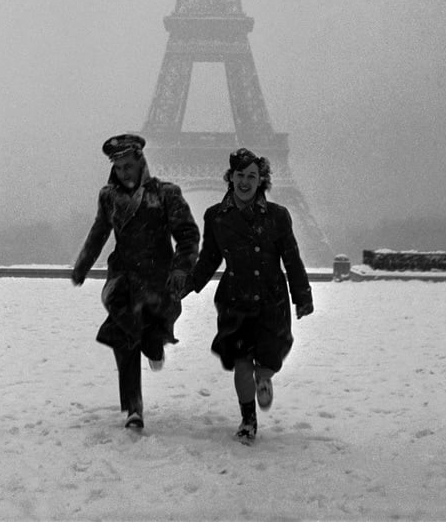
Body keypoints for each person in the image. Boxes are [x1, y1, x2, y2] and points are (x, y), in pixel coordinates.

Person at [71, 133, 199, 430]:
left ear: (141, 163)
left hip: (157, 279)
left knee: (143, 333)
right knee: (123, 336)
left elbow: (188, 235)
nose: (124, 173)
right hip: (125, 278)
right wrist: (82, 266)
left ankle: (154, 343)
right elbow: (99, 232)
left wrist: (181, 269)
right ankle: (133, 407)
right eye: (119, 168)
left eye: (128, 166)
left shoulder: (166, 194)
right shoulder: (108, 196)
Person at [185, 148, 314, 443]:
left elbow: (291, 258)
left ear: (261, 180)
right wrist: (187, 285)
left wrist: (302, 295)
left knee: (267, 361)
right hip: (236, 300)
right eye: (240, 175)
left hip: (271, 300)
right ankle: (248, 419)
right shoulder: (216, 216)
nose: (245, 182)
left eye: (252, 176)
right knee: (242, 363)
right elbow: (209, 259)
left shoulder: (278, 216)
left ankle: (265, 377)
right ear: (231, 178)